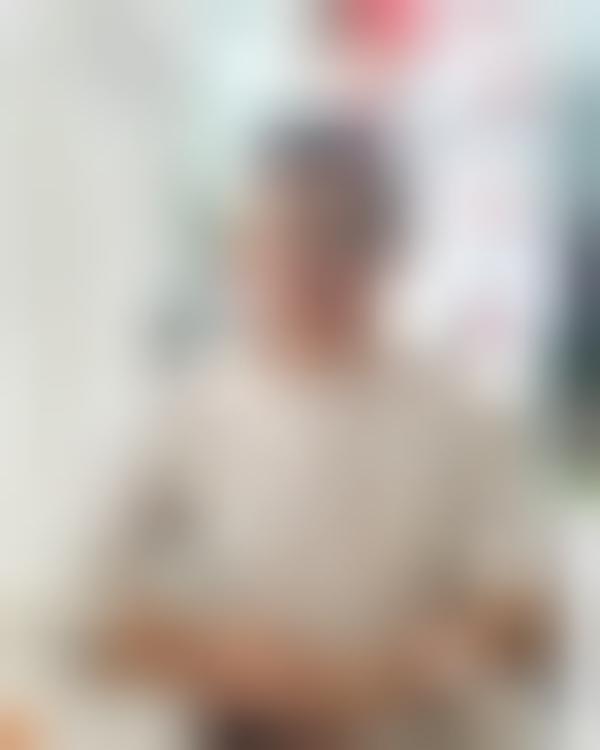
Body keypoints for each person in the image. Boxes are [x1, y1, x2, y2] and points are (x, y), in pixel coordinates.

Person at [89, 119, 552, 749]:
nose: (311, 264)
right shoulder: (193, 411)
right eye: (286, 235)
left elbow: (524, 613)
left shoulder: (460, 419)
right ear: (244, 248)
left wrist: (396, 672)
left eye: (343, 237)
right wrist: (219, 659)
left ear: (390, 250)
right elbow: (90, 604)